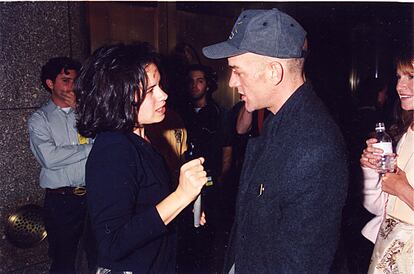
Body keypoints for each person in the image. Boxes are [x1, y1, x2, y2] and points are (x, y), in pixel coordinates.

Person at [202, 8, 348, 273]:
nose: (232, 82)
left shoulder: (314, 146)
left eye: (237, 71)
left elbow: (301, 265)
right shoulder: (277, 120)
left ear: (273, 72)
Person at [75, 42, 208, 273]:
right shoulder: (114, 149)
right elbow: (112, 242)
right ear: (118, 97)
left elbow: (144, 207)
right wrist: (180, 196)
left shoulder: (142, 139)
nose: (164, 95)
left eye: (160, 86)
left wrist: (183, 205)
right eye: (150, 91)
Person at [28, 57, 96, 273]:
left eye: (75, 81)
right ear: (50, 84)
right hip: (62, 200)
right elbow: (50, 158)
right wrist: (87, 149)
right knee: (64, 260)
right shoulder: (40, 119)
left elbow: (104, 142)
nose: (72, 86)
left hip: (93, 195)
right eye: (65, 80)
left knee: (96, 255)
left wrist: (81, 110)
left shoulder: (87, 113)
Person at [360, 50, 413, 274]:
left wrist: (402, 189)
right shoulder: (406, 131)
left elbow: (399, 191)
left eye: (411, 77)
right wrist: (372, 170)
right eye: (399, 77)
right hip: (388, 250)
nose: (400, 86)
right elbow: (377, 207)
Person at [177, 63, 232, 273]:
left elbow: (227, 148)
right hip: (184, 184)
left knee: (207, 236)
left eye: (199, 81)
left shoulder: (219, 113)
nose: (195, 86)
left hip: (210, 184)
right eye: (191, 81)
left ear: (207, 85)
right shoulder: (179, 113)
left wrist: (222, 177)